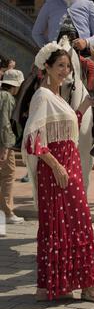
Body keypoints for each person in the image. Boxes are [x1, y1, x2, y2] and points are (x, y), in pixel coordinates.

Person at [21, 42, 94, 303]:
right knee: (78, 223)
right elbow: (33, 141)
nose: (65, 71)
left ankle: (53, 286)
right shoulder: (42, 96)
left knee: (61, 225)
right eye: (60, 66)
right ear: (47, 68)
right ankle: (89, 287)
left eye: (67, 66)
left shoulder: (57, 96)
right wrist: (56, 166)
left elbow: (63, 128)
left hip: (68, 164)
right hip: (58, 168)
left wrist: (84, 106)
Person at [31, 0, 94, 161]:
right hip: (55, 56)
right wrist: (48, 50)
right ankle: (24, 123)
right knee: (30, 83)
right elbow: (36, 32)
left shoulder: (88, 5)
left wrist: (87, 41)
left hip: (81, 55)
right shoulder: (50, 5)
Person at [0, 69, 25, 225]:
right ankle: (6, 213)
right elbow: (5, 124)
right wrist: (6, 147)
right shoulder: (8, 97)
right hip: (3, 144)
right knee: (8, 176)